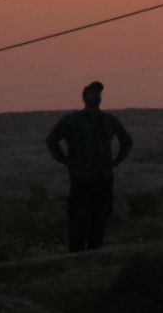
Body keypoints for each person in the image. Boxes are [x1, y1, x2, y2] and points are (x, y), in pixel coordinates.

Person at [45, 81, 133, 252]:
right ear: (84, 97)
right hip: (82, 177)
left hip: (103, 176)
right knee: (79, 218)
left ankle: (94, 252)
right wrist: (67, 161)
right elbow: (51, 140)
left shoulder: (109, 120)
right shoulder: (72, 120)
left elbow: (127, 140)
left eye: (98, 94)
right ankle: (76, 255)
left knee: (100, 217)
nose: (96, 96)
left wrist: (116, 161)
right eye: (93, 93)